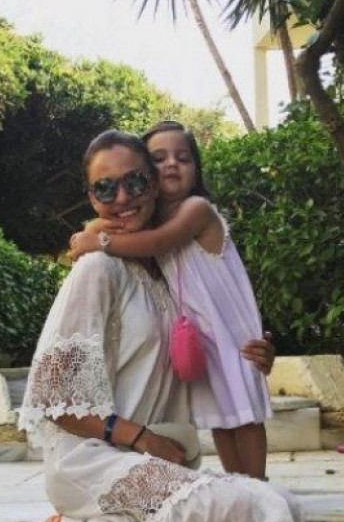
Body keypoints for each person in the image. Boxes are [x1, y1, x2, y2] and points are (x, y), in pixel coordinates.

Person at [20, 130, 307, 522]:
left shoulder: (165, 270)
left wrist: (255, 349)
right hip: (94, 460)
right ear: (91, 197)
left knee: (278, 512)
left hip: (149, 462)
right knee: (266, 510)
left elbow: (215, 327)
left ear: (154, 184)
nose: (122, 197)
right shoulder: (97, 269)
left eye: (134, 181)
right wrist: (140, 437)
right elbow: (55, 399)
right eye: (105, 189)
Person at [69, 120, 271, 480]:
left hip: (232, 334)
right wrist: (91, 231)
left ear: (197, 169)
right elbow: (107, 229)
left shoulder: (196, 209)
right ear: (148, 175)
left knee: (246, 415)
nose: (172, 164)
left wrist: (97, 241)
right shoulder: (146, 221)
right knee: (222, 417)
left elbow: (157, 243)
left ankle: (258, 482)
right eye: (159, 159)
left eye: (183, 158)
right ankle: (237, 481)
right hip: (204, 339)